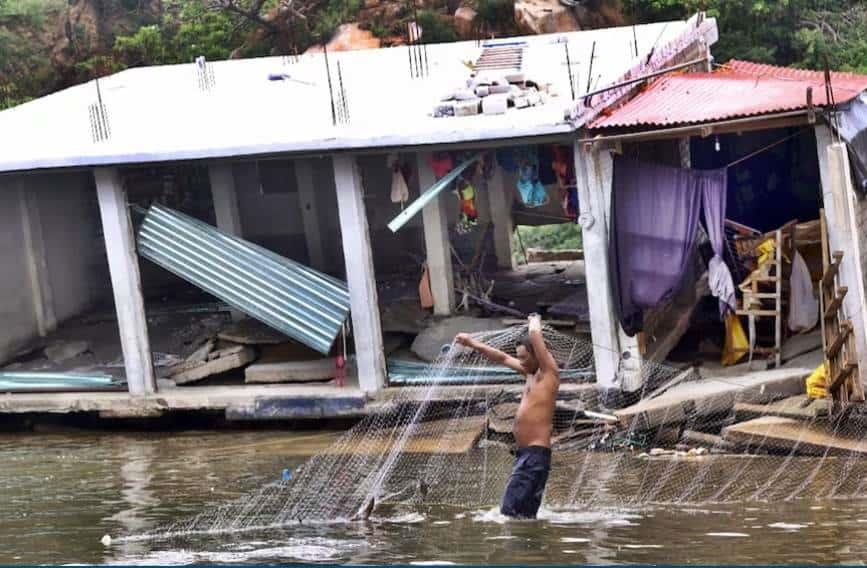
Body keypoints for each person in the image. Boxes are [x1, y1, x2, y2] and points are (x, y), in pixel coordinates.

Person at [454, 314, 560, 519]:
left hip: (534, 457)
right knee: (523, 517)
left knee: (508, 513)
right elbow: (501, 357)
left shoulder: (549, 373)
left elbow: (535, 335)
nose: (521, 362)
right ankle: (531, 549)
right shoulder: (529, 374)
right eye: (519, 357)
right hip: (526, 456)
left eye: (524, 357)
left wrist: (534, 319)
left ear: (537, 355)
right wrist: (471, 343)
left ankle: (516, 550)